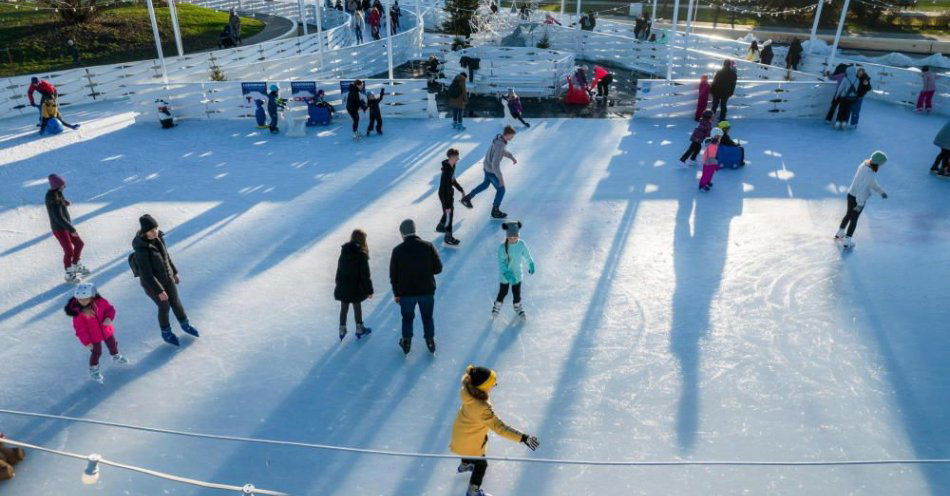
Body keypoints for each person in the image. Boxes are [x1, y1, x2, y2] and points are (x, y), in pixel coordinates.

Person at [450, 365, 539, 496]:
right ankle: (473, 491)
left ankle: (465, 464)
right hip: (468, 443)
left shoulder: (467, 393)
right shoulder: (482, 408)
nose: (495, 385)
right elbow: (500, 428)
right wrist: (523, 438)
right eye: (492, 384)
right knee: (482, 465)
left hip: (460, 435)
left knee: (472, 444)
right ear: (483, 387)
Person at [132, 214, 200, 347]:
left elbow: (166, 258)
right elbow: (146, 275)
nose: (154, 232)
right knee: (164, 306)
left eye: (155, 228)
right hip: (152, 284)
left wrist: (174, 272)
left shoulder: (159, 239)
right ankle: (166, 333)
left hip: (167, 278)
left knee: (176, 302)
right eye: (151, 230)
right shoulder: (141, 250)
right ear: (145, 232)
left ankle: (185, 325)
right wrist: (159, 291)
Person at [390, 219, 443, 355]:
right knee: (427, 317)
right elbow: (438, 268)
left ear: (402, 233)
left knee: (407, 318)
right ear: (415, 230)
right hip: (426, 291)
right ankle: (430, 341)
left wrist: (396, 293)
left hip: (406, 294)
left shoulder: (397, 251)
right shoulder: (428, 246)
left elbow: (393, 275)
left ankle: (406, 342)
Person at [64, 283, 129, 383]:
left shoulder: (101, 302)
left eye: (85, 299)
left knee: (113, 344)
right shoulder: (78, 312)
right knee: (96, 352)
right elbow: (79, 329)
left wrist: (108, 318)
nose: (82, 302)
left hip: (106, 330)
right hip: (92, 337)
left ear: (92, 296)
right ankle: (94, 369)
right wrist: (87, 342)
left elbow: (110, 309)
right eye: (80, 299)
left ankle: (115, 355)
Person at [460, 126, 518, 219]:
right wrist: (500, 178)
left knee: (485, 184)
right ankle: (495, 211)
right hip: (491, 170)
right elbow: (495, 164)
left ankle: (467, 198)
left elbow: (502, 152)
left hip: (486, 166)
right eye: (512, 136)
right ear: (507, 135)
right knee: (501, 189)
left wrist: (511, 157)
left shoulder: (498, 139)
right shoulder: (500, 145)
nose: (512, 138)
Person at [836, 151, 888, 249]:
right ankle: (847, 241)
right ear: (878, 163)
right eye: (881, 164)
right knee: (854, 219)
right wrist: (859, 204)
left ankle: (840, 232)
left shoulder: (863, 166)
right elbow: (862, 188)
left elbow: (871, 182)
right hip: (858, 198)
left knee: (848, 215)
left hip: (851, 194)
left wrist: (880, 191)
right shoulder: (869, 173)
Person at [45, 174, 88, 283]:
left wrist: (64, 202)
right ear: (57, 186)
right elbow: (58, 217)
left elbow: (59, 204)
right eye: (63, 185)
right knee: (69, 251)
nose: (65, 186)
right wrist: (72, 230)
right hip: (60, 229)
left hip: (66, 225)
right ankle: (69, 275)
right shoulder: (52, 199)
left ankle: (76, 266)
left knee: (79, 244)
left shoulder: (57, 193)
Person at [334, 229, 374, 340]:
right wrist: (369, 290)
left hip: (343, 285)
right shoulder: (361, 255)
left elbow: (339, 270)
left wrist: (338, 283)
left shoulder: (344, 252)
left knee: (344, 306)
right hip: (356, 287)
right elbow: (365, 276)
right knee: (357, 306)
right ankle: (359, 328)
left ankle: (342, 329)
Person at [492, 221, 534, 319]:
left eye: (515, 238)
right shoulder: (502, 248)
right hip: (505, 275)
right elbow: (501, 263)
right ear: (507, 237)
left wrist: (531, 263)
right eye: (510, 238)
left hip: (517, 274)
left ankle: (517, 307)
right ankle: (497, 306)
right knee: (503, 292)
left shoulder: (521, 244)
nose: (513, 240)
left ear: (518, 236)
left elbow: (527, 255)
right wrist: (507, 274)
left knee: (516, 292)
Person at [437, 148, 466, 246]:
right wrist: (447, 203)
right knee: (449, 214)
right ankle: (448, 237)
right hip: (445, 194)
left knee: (449, 212)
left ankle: (441, 226)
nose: (458, 159)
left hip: (449, 193)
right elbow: (445, 187)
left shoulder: (452, 165)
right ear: (452, 157)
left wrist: (461, 189)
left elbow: (453, 180)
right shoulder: (446, 170)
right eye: (457, 157)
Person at [832, 65, 859, 130]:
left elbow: (840, 88)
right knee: (847, 110)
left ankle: (838, 123)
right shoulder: (857, 79)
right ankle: (844, 123)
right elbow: (857, 89)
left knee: (841, 110)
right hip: (852, 98)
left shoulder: (845, 78)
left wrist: (836, 95)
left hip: (843, 97)